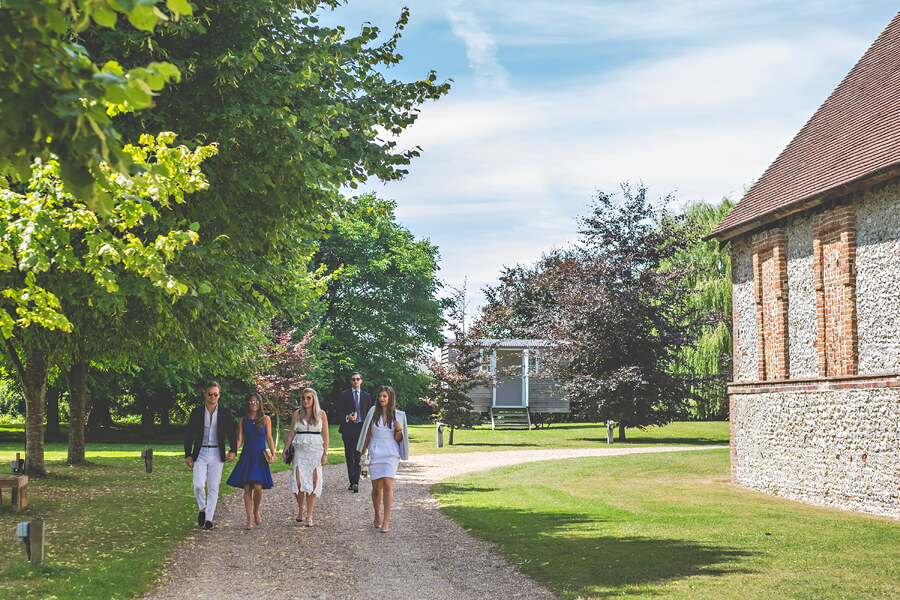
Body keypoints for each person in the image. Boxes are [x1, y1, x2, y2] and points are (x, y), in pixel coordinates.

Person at [184, 381, 237, 530]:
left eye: (215, 394)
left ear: (219, 396)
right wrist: (188, 454)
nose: (212, 396)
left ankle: (209, 519)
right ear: (205, 395)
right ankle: (202, 507)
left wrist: (233, 450)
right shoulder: (197, 412)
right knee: (198, 484)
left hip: (216, 452)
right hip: (200, 452)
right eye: (210, 394)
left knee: (213, 487)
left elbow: (232, 433)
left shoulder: (225, 413)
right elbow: (189, 434)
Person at [358, 385, 409, 533]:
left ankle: (386, 520)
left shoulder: (399, 415)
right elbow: (367, 433)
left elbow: (399, 439)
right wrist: (363, 450)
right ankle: (377, 514)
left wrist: (399, 429)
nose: (382, 398)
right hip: (375, 451)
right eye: (380, 396)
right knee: (376, 489)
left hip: (391, 453)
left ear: (390, 398)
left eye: (385, 396)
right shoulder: (372, 413)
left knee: (387, 485)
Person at [226, 392, 276, 530]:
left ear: (260, 404)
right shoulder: (243, 420)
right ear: (248, 403)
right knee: (247, 487)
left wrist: (273, 453)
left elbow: (269, 438)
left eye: (257, 402)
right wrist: (233, 451)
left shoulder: (265, 419)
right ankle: (249, 518)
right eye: (251, 401)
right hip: (247, 456)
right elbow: (239, 439)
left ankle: (256, 510)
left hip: (259, 456)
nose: (254, 404)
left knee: (258, 488)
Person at [283, 388, 329, 526]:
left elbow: (326, 435)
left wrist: (325, 453)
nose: (305, 400)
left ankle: (309, 515)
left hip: (315, 451)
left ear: (314, 399)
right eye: (303, 398)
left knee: (313, 482)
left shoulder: (321, 414)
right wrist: (285, 449)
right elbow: (292, 432)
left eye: (308, 398)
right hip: (300, 451)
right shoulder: (297, 414)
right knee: (298, 481)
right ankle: (301, 507)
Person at [337, 371, 371, 492]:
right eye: (353, 379)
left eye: (357, 379)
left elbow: (369, 415)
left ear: (361, 381)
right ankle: (352, 481)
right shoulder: (344, 395)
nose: (355, 381)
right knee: (349, 456)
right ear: (350, 381)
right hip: (348, 428)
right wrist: (347, 417)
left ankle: (355, 482)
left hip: (361, 429)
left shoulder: (367, 396)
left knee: (358, 455)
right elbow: (338, 412)